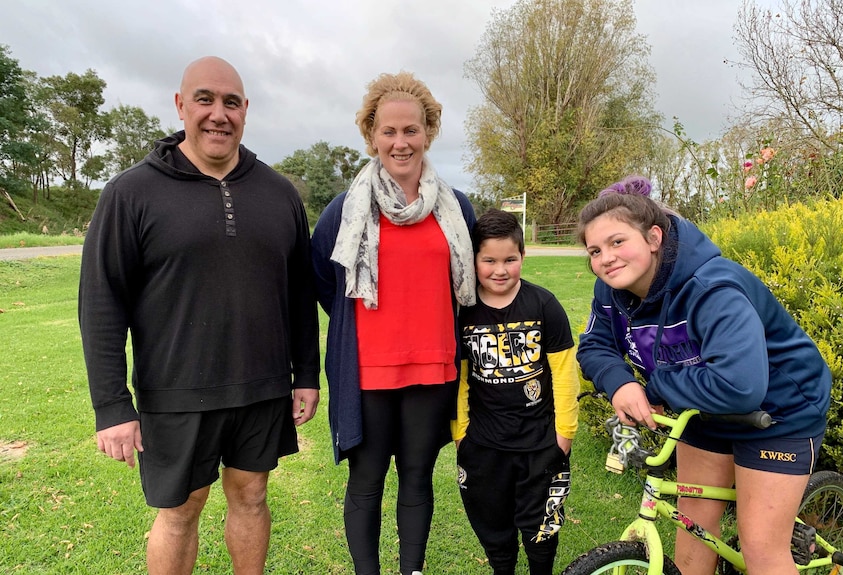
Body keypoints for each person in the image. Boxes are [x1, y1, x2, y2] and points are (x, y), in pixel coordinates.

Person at [78, 56, 320, 575]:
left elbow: (299, 293)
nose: (218, 114)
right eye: (205, 99)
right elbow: (101, 301)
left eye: (231, 102)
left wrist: (306, 375)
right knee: (180, 512)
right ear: (180, 105)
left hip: (261, 386)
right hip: (175, 390)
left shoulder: (279, 194)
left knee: (252, 496)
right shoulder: (132, 192)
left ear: (246, 110)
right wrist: (112, 406)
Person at [576, 175, 832, 575]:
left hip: (778, 412)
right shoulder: (609, 290)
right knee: (693, 531)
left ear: (654, 237)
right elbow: (594, 345)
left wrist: (659, 384)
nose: (605, 258)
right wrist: (621, 382)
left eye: (617, 242)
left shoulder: (712, 288)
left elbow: (741, 387)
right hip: (700, 407)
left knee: (761, 548)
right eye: (594, 250)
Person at [311, 71, 476, 575]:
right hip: (367, 372)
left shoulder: (455, 208)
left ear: (428, 132)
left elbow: (465, 286)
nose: (400, 142)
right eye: (389, 131)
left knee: (418, 478)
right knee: (365, 481)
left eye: (411, 130)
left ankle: (412, 570)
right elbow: (324, 279)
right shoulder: (345, 210)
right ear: (371, 135)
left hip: (432, 369)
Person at [452, 208, 579, 575]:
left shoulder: (544, 306)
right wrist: (460, 435)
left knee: (542, 529)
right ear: (473, 259)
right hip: (483, 445)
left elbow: (564, 376)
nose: (500, 270)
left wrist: (564, 436)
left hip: (540, 444)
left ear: (523, 255)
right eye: (488, 260)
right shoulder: (463, 312)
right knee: (493, 528)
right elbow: (458, 381)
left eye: (510, 259)